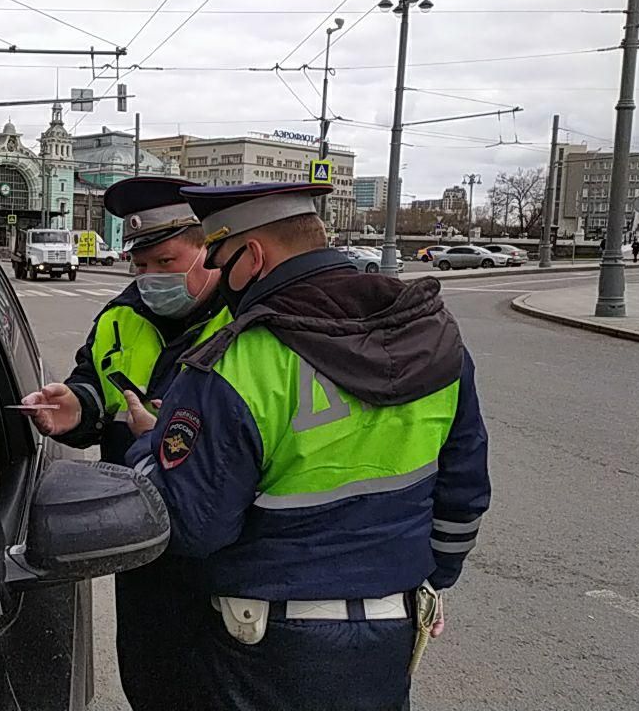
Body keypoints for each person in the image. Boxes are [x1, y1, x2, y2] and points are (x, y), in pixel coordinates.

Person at [123, 182, 491, 711]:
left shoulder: (238, 363)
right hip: (392, 630)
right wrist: (426, 581)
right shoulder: (431, 337)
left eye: (222, 261)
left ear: (252, 256)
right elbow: (465, 492)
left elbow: (194, 526)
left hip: (266, 646)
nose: (220, 278)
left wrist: (148, 447)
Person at [20, 176, 231, 711]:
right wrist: (78, 406)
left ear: (209, 246)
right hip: (141, 547)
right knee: (152, 680)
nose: (151, 279)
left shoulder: (247, 322)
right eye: (140, 266)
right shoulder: (120, 315)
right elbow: (98, 382)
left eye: (166, 262)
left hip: (225, 555)